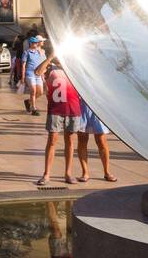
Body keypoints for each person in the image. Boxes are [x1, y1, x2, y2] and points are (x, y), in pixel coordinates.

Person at [36, 54, 81, 186]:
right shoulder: (51, 68)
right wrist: (50, 58)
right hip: (56, 109)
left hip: (73, 108)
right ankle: (46, 174)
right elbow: (38, 72)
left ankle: (68, 173)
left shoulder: (74, 68)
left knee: (70, 141)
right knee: (52, 140)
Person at [76, 98, 118, 182]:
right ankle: (85, 172)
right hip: (80, 105)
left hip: (97, 105)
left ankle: (107, 172)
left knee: (101, 140)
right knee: (82, 139)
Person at [22, 35, 47, 116]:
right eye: (34, 43)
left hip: (38, 75)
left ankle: (28, 102)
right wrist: (22, 77)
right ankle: (34, 108)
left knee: (40, 92)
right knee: (33, 91)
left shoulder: (39, 52)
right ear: (30, 43)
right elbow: (23, 65)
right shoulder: (26, 52)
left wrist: (43, 76)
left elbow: (41, 65)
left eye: (36, 43)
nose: (35, 44)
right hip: (30, 74)